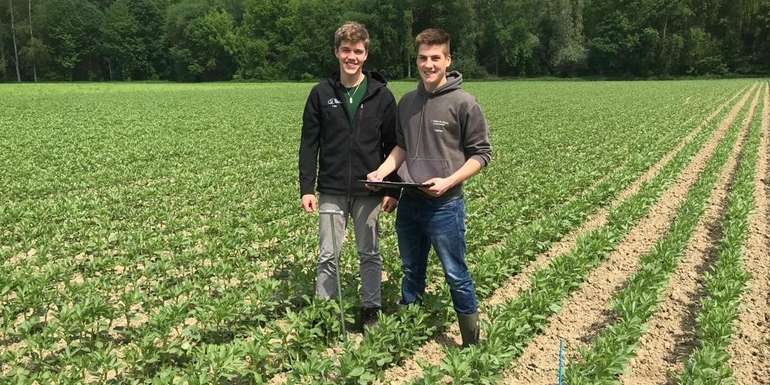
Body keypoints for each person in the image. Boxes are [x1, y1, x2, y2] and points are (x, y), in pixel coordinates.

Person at [367, 28, 492, 346]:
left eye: (436, 58)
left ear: (448, 60)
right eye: (423, 58)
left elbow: (481, 154)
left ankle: (471, 343)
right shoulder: (407, 102)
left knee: (455, 274)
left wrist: (449, 181)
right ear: (417, 60)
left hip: (445, 205)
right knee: (411, 270)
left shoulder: (464, 103)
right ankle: (410, 329)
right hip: (410, 202)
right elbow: (402, 148)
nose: (429, 64)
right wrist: (382, 171)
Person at [298, 21, 399, 328]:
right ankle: (325, 312)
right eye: (346, 50)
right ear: (336, 53)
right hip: (331, 189)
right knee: (328, 254)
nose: (351, 57)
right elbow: (308, 143)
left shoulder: (381, 95)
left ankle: (371, 309)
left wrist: (392, 190)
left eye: (357, 51)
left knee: (369, 252)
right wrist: (307, 188)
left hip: (370, 190)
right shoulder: (321, 94)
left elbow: (393, 145)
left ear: (365, 55)